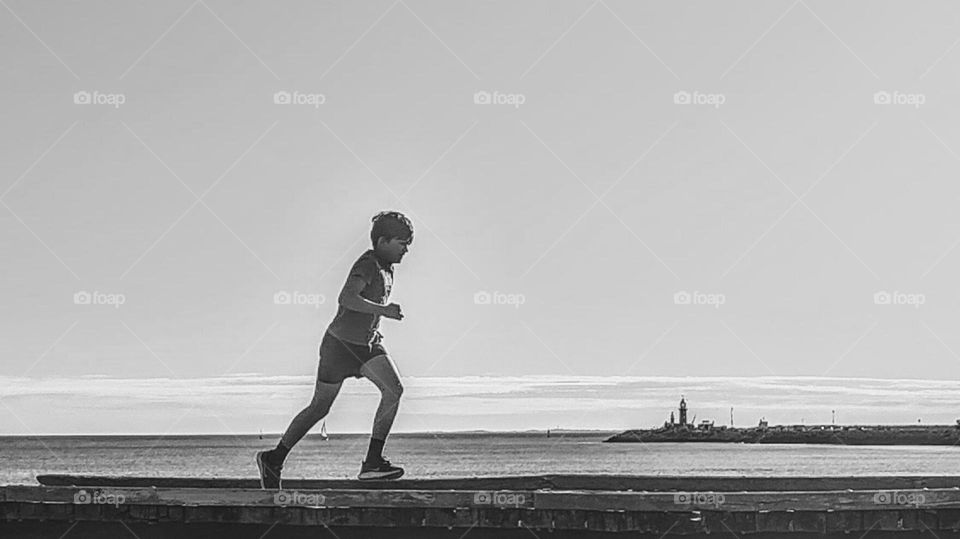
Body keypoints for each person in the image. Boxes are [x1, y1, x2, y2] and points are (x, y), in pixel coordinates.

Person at [256, 211, 413, 488]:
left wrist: (377, 321)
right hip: (339, 346)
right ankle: (274, 458)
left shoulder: (388, 269)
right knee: (319, 408)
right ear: (383, 241)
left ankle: (372, 463)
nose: (406, 249)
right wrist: (383, 311)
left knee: (394, 391)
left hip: (367, 344)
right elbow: (347, 298)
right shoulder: (368, 264)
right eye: (401, 243)